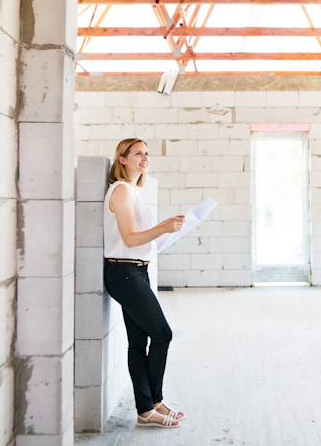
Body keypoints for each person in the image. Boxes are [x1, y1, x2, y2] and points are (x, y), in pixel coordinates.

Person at [103, 138, 187, 428]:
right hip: (124, 274)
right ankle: (153, 401)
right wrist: (163, 227)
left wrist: (167, 233)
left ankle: (147, 409)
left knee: (138, 343)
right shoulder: (122, 190)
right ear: (122, 159)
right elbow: (129, 239)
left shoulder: (134, 192)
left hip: (135, 271)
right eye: (138, 153)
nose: (145, 158)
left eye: (147, 153)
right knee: (162, 334)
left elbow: (140, 239)